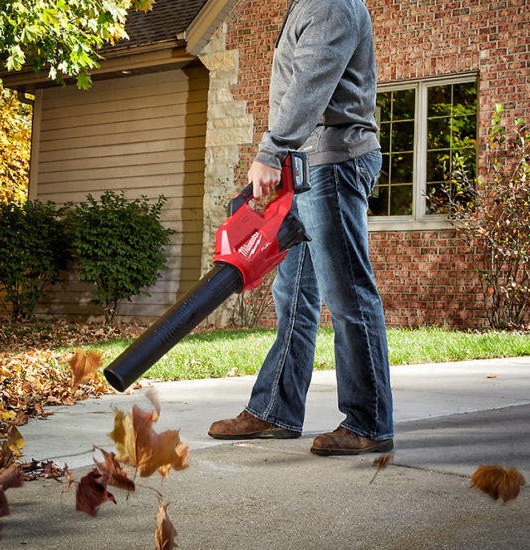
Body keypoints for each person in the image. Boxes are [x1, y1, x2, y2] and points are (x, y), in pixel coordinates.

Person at [207, 0, 394, 455]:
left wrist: (271, 152)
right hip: (307, 166)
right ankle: (275, 410)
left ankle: (369, 423)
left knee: (347, 291)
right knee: (293, 295)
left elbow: (310, 85)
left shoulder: (331, 4)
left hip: (333, 160)